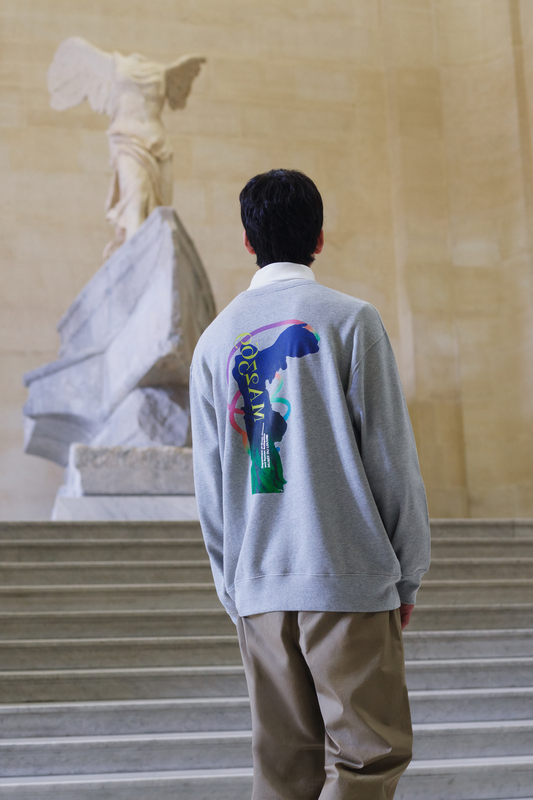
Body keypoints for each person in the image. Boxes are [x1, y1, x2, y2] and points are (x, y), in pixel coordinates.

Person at [189, 169, 431, 800]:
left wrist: (235, 590)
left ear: (248, 242)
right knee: (369, 758)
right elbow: (391, 460)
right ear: (320, 237)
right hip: (346, 576)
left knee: (283, 773)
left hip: (260, 589)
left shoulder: (215, 343)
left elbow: (212, 490)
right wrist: (407, 571)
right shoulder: (351, 321)